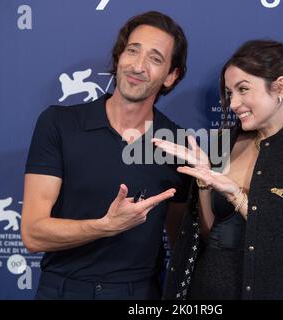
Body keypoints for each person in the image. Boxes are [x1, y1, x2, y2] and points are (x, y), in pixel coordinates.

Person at [155, 40, 283, 300]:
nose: (233, 104)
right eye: (229, 93)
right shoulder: (221, 145)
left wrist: (238, 197)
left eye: (243, 89)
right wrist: (204, 183)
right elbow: (209, 236)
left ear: (280, 88)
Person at [21, 11, 191, 300]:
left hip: (138, 293)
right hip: (62, 289)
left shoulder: (178, 144)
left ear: (171, 76)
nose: (138, 66)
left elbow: (181, 243)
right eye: (132, 51)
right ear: (118, 57)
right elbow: (33, 234)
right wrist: (106, 226)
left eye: (155, 58)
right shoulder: (59, 123)